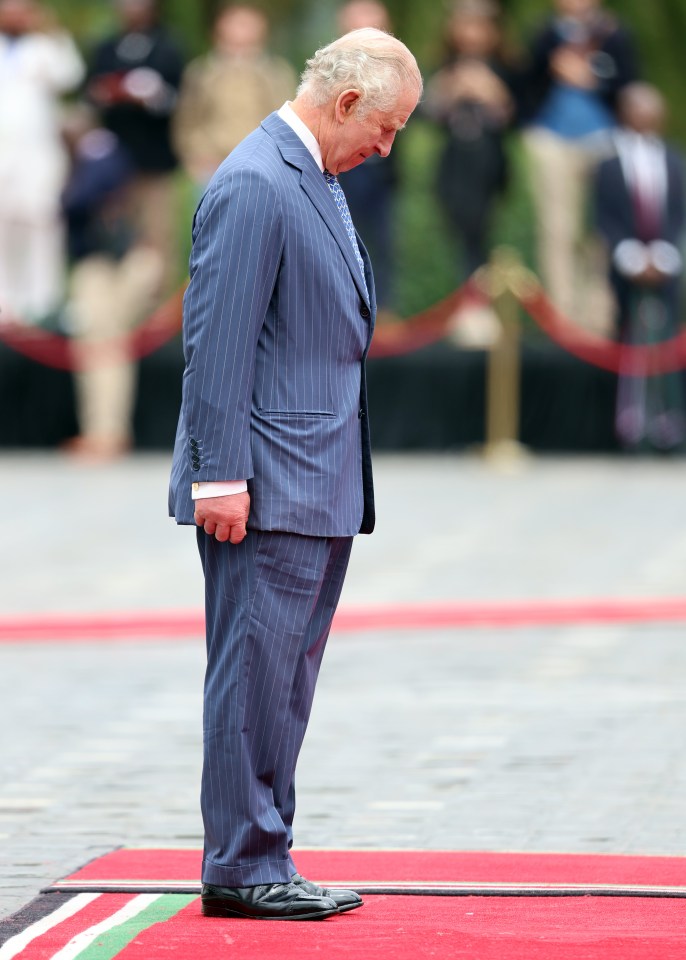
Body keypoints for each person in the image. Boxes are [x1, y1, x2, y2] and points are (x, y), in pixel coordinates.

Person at [168, 27, 422, 921]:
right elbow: (217, 346)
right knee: (253, 678)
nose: (385, 149)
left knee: (283, 683)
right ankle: (242, 866)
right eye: (386, 129)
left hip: (313, 482)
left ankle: (264, 851)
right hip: (266, 487)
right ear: (348, 102)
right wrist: (217, 476)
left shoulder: (306, 173)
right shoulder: (255, 181)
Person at [521, 0, 638, 326]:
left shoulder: (615, 34)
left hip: (605, 140)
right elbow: (527, 84)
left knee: (605, 231)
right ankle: (562, 319)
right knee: (557, 230)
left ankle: (600, 317)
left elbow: (630, 85)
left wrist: (591, 78)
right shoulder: (545, 34)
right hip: (553, 140)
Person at [61, 106, 164, 460]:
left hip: (111, 263)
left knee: (103, 346)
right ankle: (104, 432)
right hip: (115, 261)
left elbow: (78, 201)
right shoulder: (101, 151)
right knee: (104, 345)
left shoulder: (98, 148)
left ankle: (106, 433)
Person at [594, 83, 686, 451]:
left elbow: (677, 215)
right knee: (627, 342)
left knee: (665, 342)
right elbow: (604, 217)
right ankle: (630, 425)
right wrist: (629, 255)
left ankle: (670, 422)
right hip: (625, 268)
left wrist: (665, 255)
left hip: (666, 268)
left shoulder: (675, 160)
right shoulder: (608, 165)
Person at [86, 0, 184, 289]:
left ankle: (156, 314)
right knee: (116, 234)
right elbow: (90, 93)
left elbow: (178, 98)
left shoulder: (168, 47)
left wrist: (149, 96)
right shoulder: (105, 48)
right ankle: (119, 306)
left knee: (158, 234)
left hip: (154, 159)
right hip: (113, 163)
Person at [0, 0, 84, 324]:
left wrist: (50, 31)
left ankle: (44, 303)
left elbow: (70, 74)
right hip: (3, 157)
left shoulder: (45, 46)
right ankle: (7, 305)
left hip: (38, 157)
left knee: (43, 226)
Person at [424, 0, 515, 280]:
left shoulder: (506, 67)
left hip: (489, 163)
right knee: (454, 235)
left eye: (479, 25)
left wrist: (493, 92)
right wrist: (450, 89)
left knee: (485, 233)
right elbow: (425, 112)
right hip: (454, 163)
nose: (472, 34)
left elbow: (516, 115)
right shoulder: (442, 67)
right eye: (465, 24)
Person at [173, 4, 296, 190]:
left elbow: (287, 119)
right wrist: (196, 156)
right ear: (220, 29)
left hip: (264, 163)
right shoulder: (201, 72)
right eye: (236, 23)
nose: (241, 30)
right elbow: (187, 120)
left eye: (247, 24)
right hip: (213, 165)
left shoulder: (276, 73)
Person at [336, 0, 398, 311]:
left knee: (382, 242)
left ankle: (383, 309)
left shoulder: (397, 65)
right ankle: (343, 310)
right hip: (343, 169)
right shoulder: (331, 64)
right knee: (340, 242)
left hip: (381, 168)